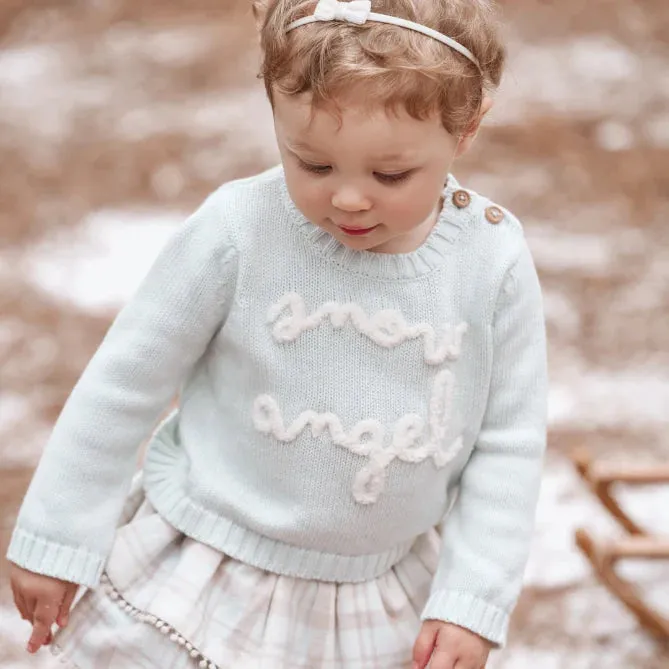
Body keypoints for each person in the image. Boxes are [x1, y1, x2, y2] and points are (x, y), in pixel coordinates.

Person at [7, 1, 548, 667]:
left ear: (466, 129)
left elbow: (509, 445)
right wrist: (56, 538)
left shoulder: (489, 261)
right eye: (312, 164)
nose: (348, 198)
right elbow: (126, 381)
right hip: (203, 565)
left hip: (373, 599)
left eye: (389, 174)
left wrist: (470, 600)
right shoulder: (240, 229)